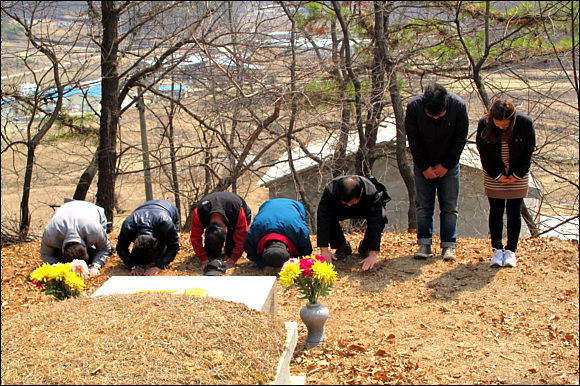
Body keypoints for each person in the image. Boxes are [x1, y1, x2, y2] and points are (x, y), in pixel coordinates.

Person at [405, 82, 469, 262]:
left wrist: (446, 165)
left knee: (449, 206)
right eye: (430, 115)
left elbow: (460, 139)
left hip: (448, 164)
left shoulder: (458, 106)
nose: (434, 118)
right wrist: (424, 167)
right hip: (422, 165)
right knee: (423, 205)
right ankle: (424, 243)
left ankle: (449, 245)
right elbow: (413, 140)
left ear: (445, 105)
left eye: (438, 115)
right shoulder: (414, 107)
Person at [476, 99, 535, 268]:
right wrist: (497, 176)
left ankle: (511, 250)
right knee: (496, 210)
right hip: (494, 173)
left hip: (518, 173)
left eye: (506, 123)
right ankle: (497, 249)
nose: (502, 126)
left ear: (512, 118)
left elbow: (528, 151)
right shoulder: (484, 125)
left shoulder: (525, 124)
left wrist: (517, 175)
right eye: (498, 123)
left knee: (514, 211)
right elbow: (483, 153)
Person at [317, 175, 390, 271]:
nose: (349, 205)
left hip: (364, 208)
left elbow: (375, 221)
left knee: (381, 216)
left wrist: (373, 253)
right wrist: (324, 250)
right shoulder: (331, 191)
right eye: (346, 202)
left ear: (361, 192)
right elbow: (323, 217)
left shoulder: (371, 191)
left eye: (352, 202)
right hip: (339, 209)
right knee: (328, 216)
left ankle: (366, 246)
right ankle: (341, 245)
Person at [39, 199, 112, 278]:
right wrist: (56, 266)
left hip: (92, 210)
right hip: (64, 210)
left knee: (101, 244)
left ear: (86, 248)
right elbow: (46, 254)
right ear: (62, 250)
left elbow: (105, 248)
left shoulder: (95, 231)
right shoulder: (50, 233)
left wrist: (95, 266)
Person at [244, 198, 313, 275]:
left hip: (295, 206)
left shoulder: (299, 230)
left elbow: (306, 252)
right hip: (267, 205)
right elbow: (251, 254)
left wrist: (291, 265)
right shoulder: (254, 232)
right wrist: (263, 265)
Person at [190, 192, 252, 271]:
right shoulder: (200, 211)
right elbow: (195, 238)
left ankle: (229, 245)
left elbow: (242, 238)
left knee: (230, 250)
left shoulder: (237, 212)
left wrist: (232, 260)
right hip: (216, 207)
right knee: (211, 252)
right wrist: (203, 259)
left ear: (226, 230)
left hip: (238, 210)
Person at [116, 199, 180, 276]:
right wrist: (133, 266)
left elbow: (173, 247)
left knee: (163, 251)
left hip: (168, 208)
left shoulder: (165, 223)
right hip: (144, 210)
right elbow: (121, 248)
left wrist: (159, 266)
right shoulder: (128, 225)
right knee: (141, 259)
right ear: (135, 241)